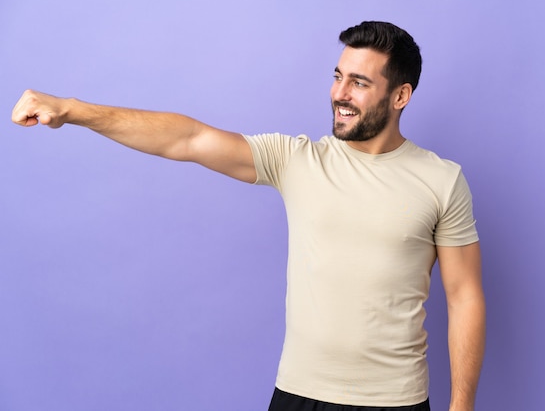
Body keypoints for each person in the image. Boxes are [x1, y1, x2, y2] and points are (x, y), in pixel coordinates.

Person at [12, 21, 485, 411]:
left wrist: (461, 406)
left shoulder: (441, 180)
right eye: (338, 76)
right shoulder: (298, 160)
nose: (340, 93)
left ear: (400, 95)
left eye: (359, 83)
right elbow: (188, 139)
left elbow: (464, 297)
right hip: (299, 395)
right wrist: (72, 110)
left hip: (395, 401)